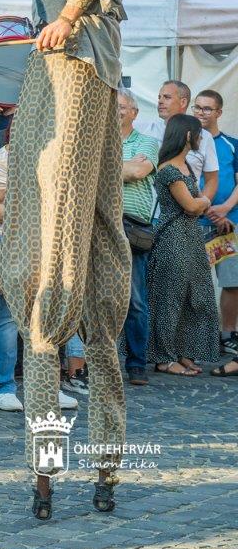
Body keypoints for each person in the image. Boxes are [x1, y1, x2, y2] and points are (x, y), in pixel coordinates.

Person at [0, 0, 131, 519]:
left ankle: (47, 464)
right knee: (98, 243)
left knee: (48, 247)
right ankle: (105, 459)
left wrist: (69, 16)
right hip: (85, 71)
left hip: (73, 72)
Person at [0, 137, 81, 414]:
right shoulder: (7, 157)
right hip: (6, 240)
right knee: (8, 316)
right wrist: (32, 222)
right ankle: (2, 389)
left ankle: (45, 389)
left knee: (46, 316)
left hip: (40, 243)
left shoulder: (53, 159)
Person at [147, 114, 223, 375]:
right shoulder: (168, 169)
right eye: (198, 134)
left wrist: (201, 203)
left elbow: (198, 203)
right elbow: (192, 205)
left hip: (190, 238)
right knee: (170, 298)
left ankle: (184, 351)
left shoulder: (187, 167)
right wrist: (203, 204)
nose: (202, 138)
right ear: (188, 136)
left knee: (196, 296)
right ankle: (164, 357)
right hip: (173, 239)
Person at [192, 89, 238, 370]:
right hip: (197, 221)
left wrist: (224, 209)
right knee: (196, 284)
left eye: (207, 108)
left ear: (219, 112)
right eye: (197, 108)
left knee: (232, 281)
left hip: (228, 224)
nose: (201, 113)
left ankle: (228, 333)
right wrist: (208, 208)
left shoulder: (232, 144)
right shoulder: (189, 143)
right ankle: (198, 337)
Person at [117, 88, 159, 387]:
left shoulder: (148, 142)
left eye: (122, 106)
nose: (116, 110)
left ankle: (136, 364)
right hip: (100, 224)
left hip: (133, 227)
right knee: (93, 297)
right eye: (113, 106)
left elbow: (138, 172)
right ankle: (93, 362)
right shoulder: (97, 140)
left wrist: (105, 168)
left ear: (134, 112)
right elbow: (129, 170)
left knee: (135, 301)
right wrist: (126, 168)